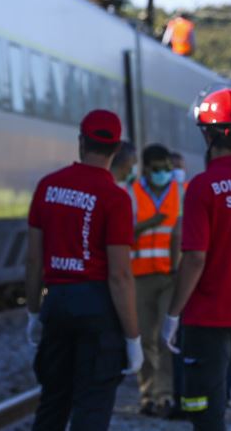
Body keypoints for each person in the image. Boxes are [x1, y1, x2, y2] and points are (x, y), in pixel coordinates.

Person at [162, 86, 231, 431]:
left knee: (204, 407)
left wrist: (173, 313)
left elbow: (194, 258)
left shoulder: (202, 186)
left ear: (209, 134)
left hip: (208, 317)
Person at [25, 109, 143, 431]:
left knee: (52, 403)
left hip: (57, 304)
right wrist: (133, 337)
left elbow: (33, 260)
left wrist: (34, 312)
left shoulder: (47, 187)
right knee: (91, 409)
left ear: (81, 141)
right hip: (97, 311)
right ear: (116, 150)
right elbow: (119, 275)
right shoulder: (115, 198)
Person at [129, 144, 183, 417]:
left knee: (164, 337)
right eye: (158, 168)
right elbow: (123, 232)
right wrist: (149, 224)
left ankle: (164, 395)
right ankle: (147, 395)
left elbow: (182, 232)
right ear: (146, 168)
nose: (164, 173)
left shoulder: (179, 192)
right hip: (139, 275)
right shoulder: (132, 192)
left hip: (170, 275)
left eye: (167, 168)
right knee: (145, 339)